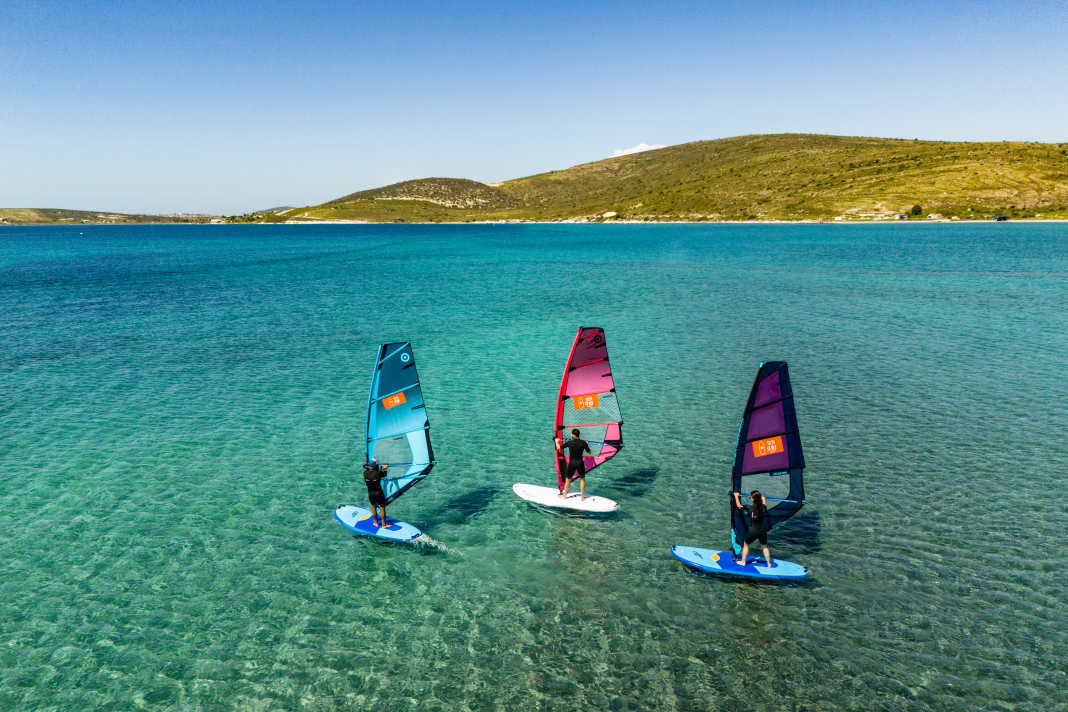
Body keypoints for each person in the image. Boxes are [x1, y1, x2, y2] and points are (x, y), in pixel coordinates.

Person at [732, 490, 772, 567]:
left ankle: (743, 562)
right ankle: (769, 563)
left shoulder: (749, 507)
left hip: (753, 530)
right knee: (764, 546)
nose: (750, 498)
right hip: (762, 530)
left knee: (746, 544)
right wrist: (763, 498)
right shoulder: (763, 507)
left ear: (753, 499)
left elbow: (739, 506)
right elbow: (764, 502)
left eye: (751, 497)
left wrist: (736, 496)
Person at [557, 428, 591, 500]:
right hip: (580, 463)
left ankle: (564, 496)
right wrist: (586, 445)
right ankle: (582, 497)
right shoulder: (583, 443)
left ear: (572, 435)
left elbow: (559, 448)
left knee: (568, 479)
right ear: (578, 435)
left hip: (572, 463)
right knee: (582, 479)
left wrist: (556, 441)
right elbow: (589, 452)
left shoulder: (570, 442)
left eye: (571, 433)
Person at [363, 459, 390, 527]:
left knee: (373, 507)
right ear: (375, 466)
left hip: (370, 493)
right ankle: (384, 524)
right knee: (382, 507)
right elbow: (384, 474)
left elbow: (371, 470)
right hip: (378, 493)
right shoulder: (378, 473)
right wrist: (384, 468)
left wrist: (376, 465)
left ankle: (376, 522)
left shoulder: (365, 473)